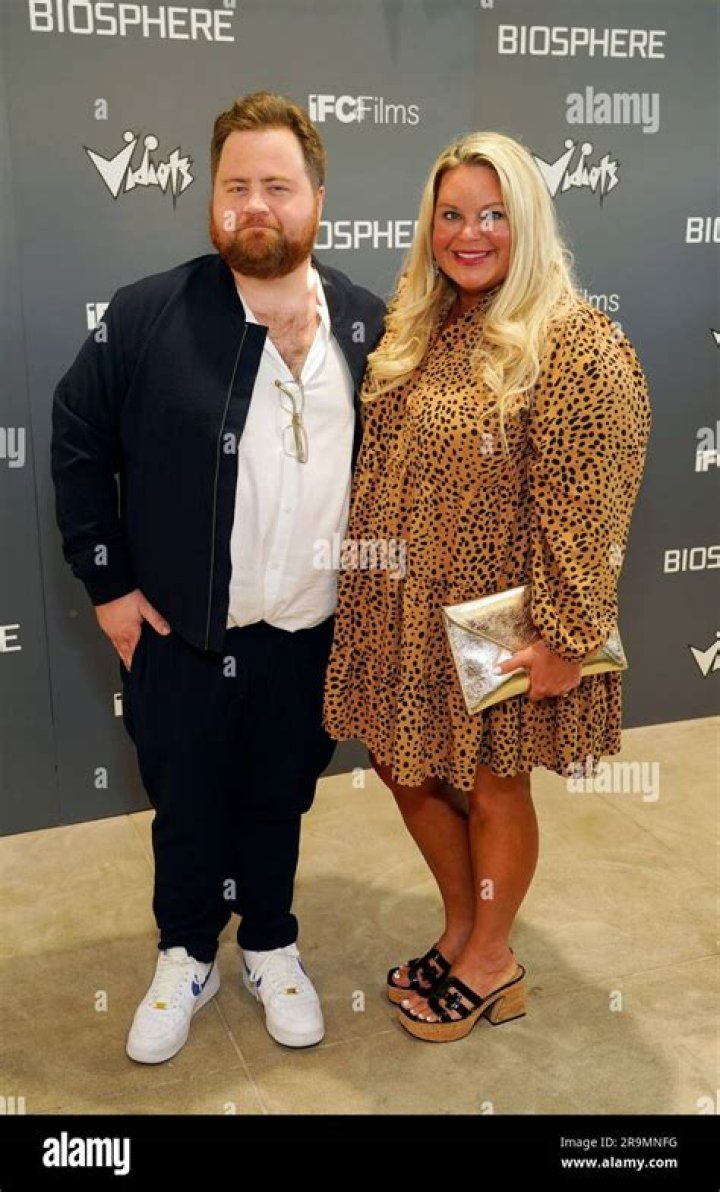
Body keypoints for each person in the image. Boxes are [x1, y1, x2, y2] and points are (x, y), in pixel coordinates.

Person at [51, 91, 385, 1061]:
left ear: (317, 199)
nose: (254, 206)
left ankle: (270, 944)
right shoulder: (147, 314)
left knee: (281, 797)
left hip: (311, 630)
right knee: (187, 803)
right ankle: (187, 952)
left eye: (277, 186)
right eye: (235, 186)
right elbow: (77, 438)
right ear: (211, 198)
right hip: (183, 634)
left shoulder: (367, 326)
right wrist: (109, 586)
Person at [323, 131, 651, 1042]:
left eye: (494, 214)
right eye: (453, 215)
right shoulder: (421, 323)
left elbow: (592, 501)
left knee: (497, 785)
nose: (470, 234)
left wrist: (565, 635)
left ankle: (492, 961)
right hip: (404, 613)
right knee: (402, 765)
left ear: (529, 221)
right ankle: (466, 928)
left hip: (502, 624)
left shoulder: (576, 342)